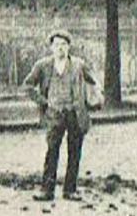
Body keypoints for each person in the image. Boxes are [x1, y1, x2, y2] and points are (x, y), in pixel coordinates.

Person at [22, 30, 102, 202]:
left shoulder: (79, 65)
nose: (61, 48)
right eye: (57, 44)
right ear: (51, 47)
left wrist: (94, 96)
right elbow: (27, 86)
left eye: (64, 44)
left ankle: (70, 190)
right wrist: (43, 102)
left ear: (69, 47)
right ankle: (47, 190)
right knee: (52, 151)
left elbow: (93, 81)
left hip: (75, 113)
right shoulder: (43, 65)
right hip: (54, 114)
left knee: (74, 152)